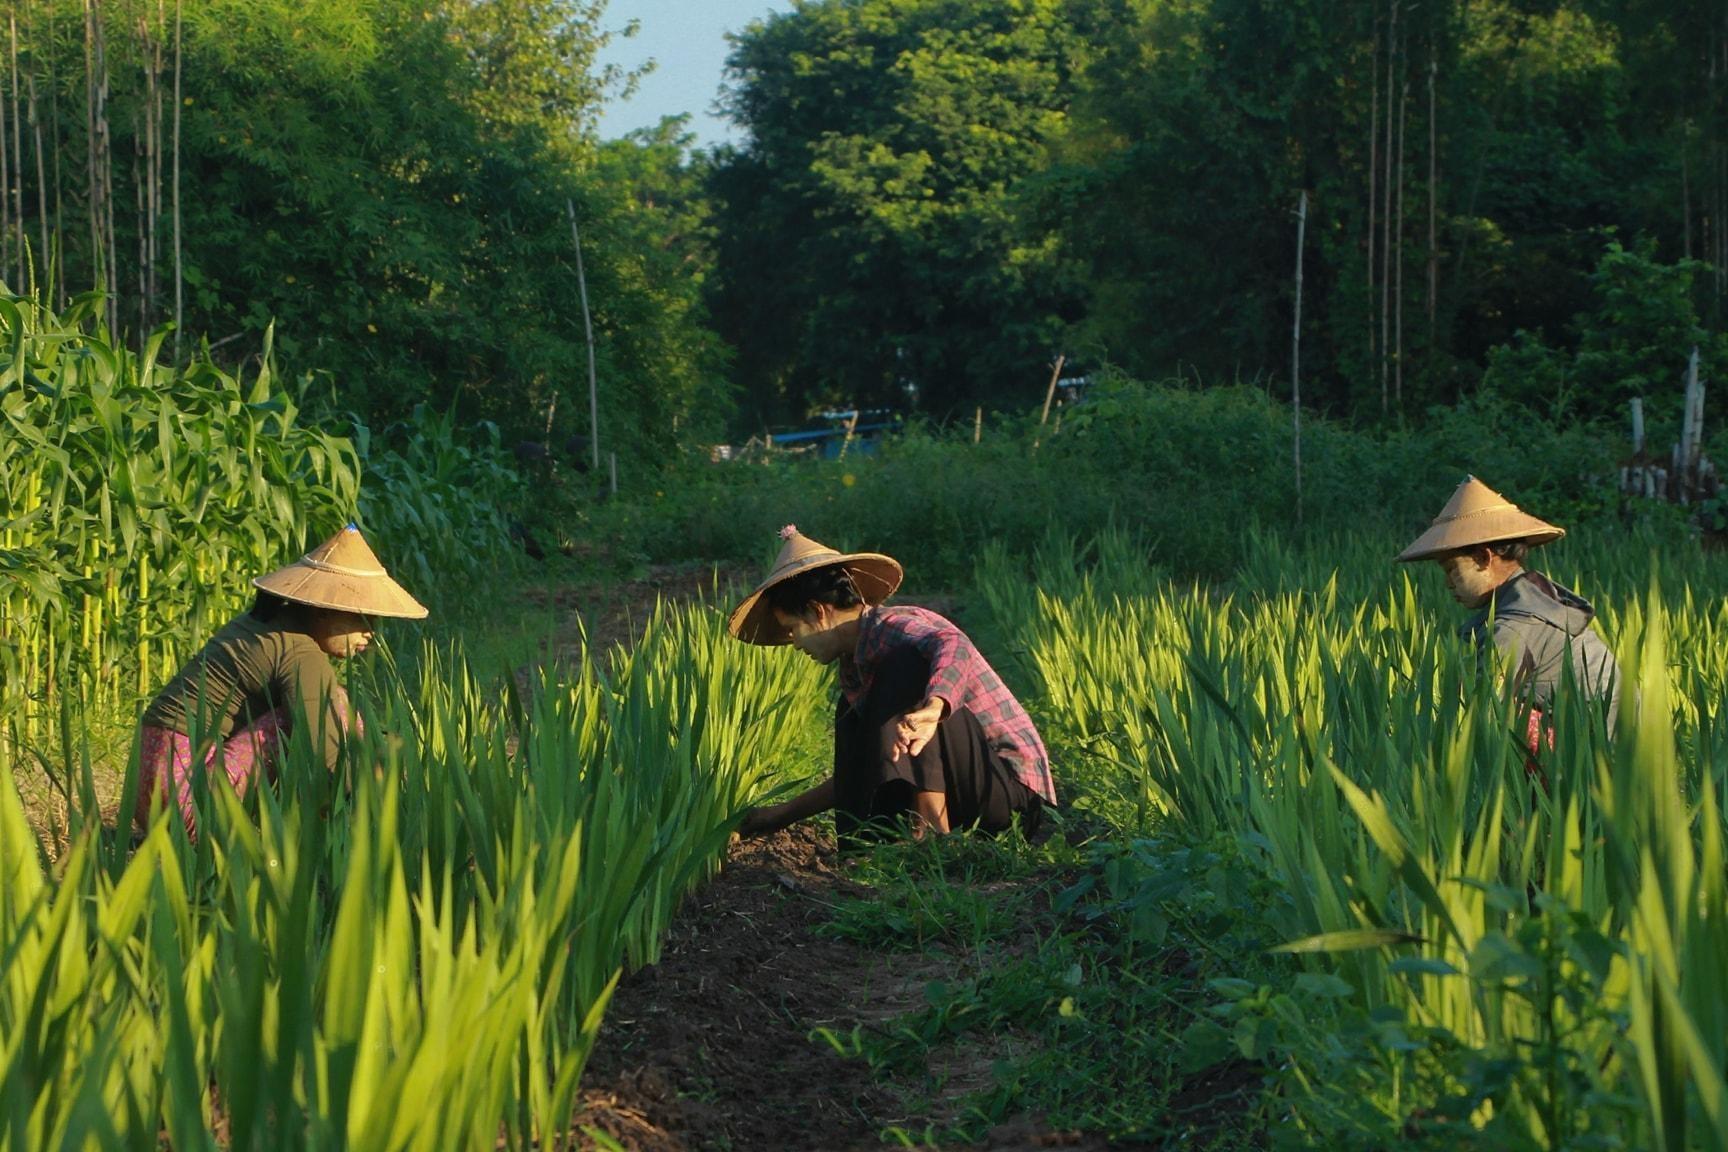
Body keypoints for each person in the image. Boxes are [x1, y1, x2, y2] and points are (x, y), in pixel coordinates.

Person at [727, 525, 1055, 843]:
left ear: (818, 612)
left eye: (793, 629)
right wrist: (776, 816)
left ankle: (929, 831)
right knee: (853, 713)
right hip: (965, 801)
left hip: (1005, 798)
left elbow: (952, 643)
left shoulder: (891, 627)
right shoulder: (856, 669)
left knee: (906, 665)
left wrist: (933, 708)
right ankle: (876, 842)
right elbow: (858, 770)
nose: (795, 644)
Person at [135, 524, 427, 837]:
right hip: (188, 803)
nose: (371, 631)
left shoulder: (267, 626)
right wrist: (387, 810)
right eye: (362, 618)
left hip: (143, 796)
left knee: (330, 708)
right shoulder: (300, 651)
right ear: (323, 609)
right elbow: (330, 757)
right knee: (332, 709)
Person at [1396, 476, 1620, 742]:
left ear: (1484, 558)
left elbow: (1483, 710)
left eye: (1452, 570)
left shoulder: (1514, 627)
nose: (1448, 584)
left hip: (1597, 751)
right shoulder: (1538, 600)